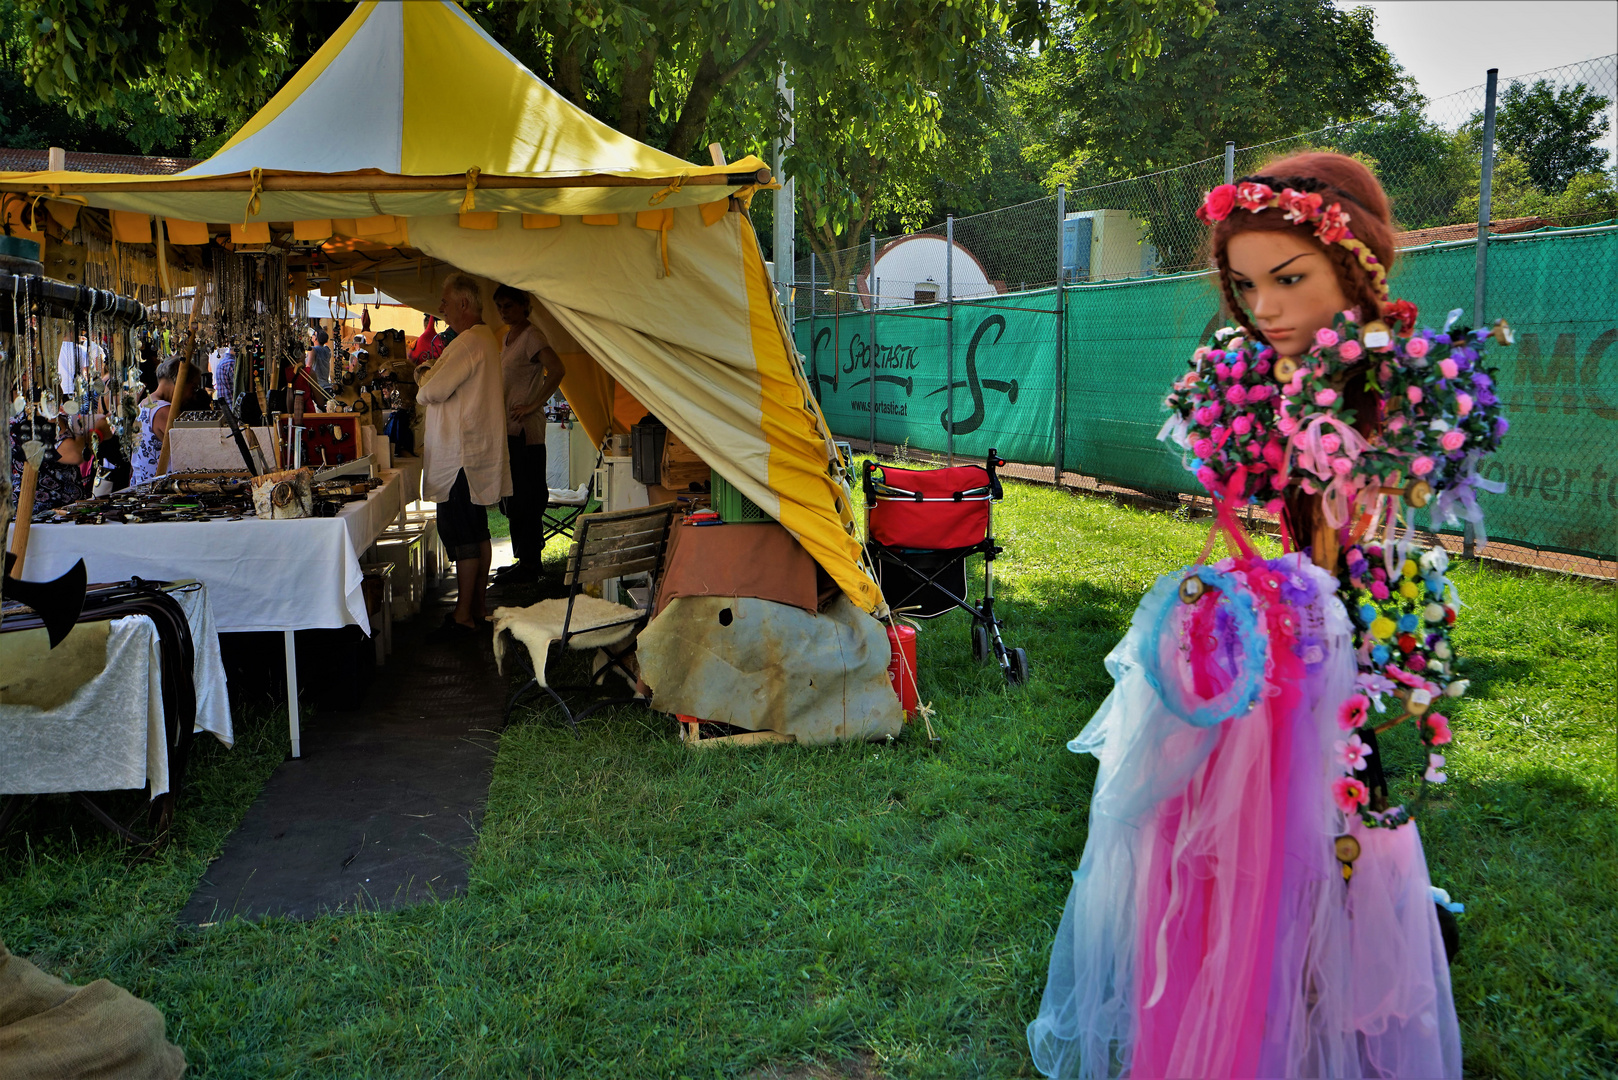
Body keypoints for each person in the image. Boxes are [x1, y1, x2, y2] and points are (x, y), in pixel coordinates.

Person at [1027, 153, 1491, 1079]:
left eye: (1290, 279)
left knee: (1345, 795)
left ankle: (1344, 972)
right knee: (1250, 815)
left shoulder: (1400, 385)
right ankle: (1270, 968)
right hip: (1288, 617)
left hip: (1362, 620)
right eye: (1246, 286)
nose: (1266, 307)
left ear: (1355, 269)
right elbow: (1260, 508)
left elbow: (1382, 527)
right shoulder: (1251, 379)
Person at [417, 273, 511, 635]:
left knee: (465, 535)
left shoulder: (471, 341)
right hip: (470, 451)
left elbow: (433, 390)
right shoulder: (482, 339)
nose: (440, 308)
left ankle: (463, 616)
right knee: (477, 531)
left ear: (464, 304)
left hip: (461, 456)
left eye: (445, 301)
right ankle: (477, 608)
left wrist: (424, 379)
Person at [491, 284, 565, 584]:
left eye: (508, 305)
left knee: (528, 496)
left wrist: (535, 403)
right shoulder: (509, 338)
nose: (503, 311)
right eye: (500, 306)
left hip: (525, 432)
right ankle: (523, 558)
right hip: (510, 429)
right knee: (514, 497)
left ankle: (531, 563)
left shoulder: (532, 335)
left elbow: (557, 369)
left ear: (524, 305)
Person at [130, 356, 180, 487]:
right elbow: (183, 450)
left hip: (143, 481)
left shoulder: (145, 403)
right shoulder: (163, 410)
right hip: (157, 486)